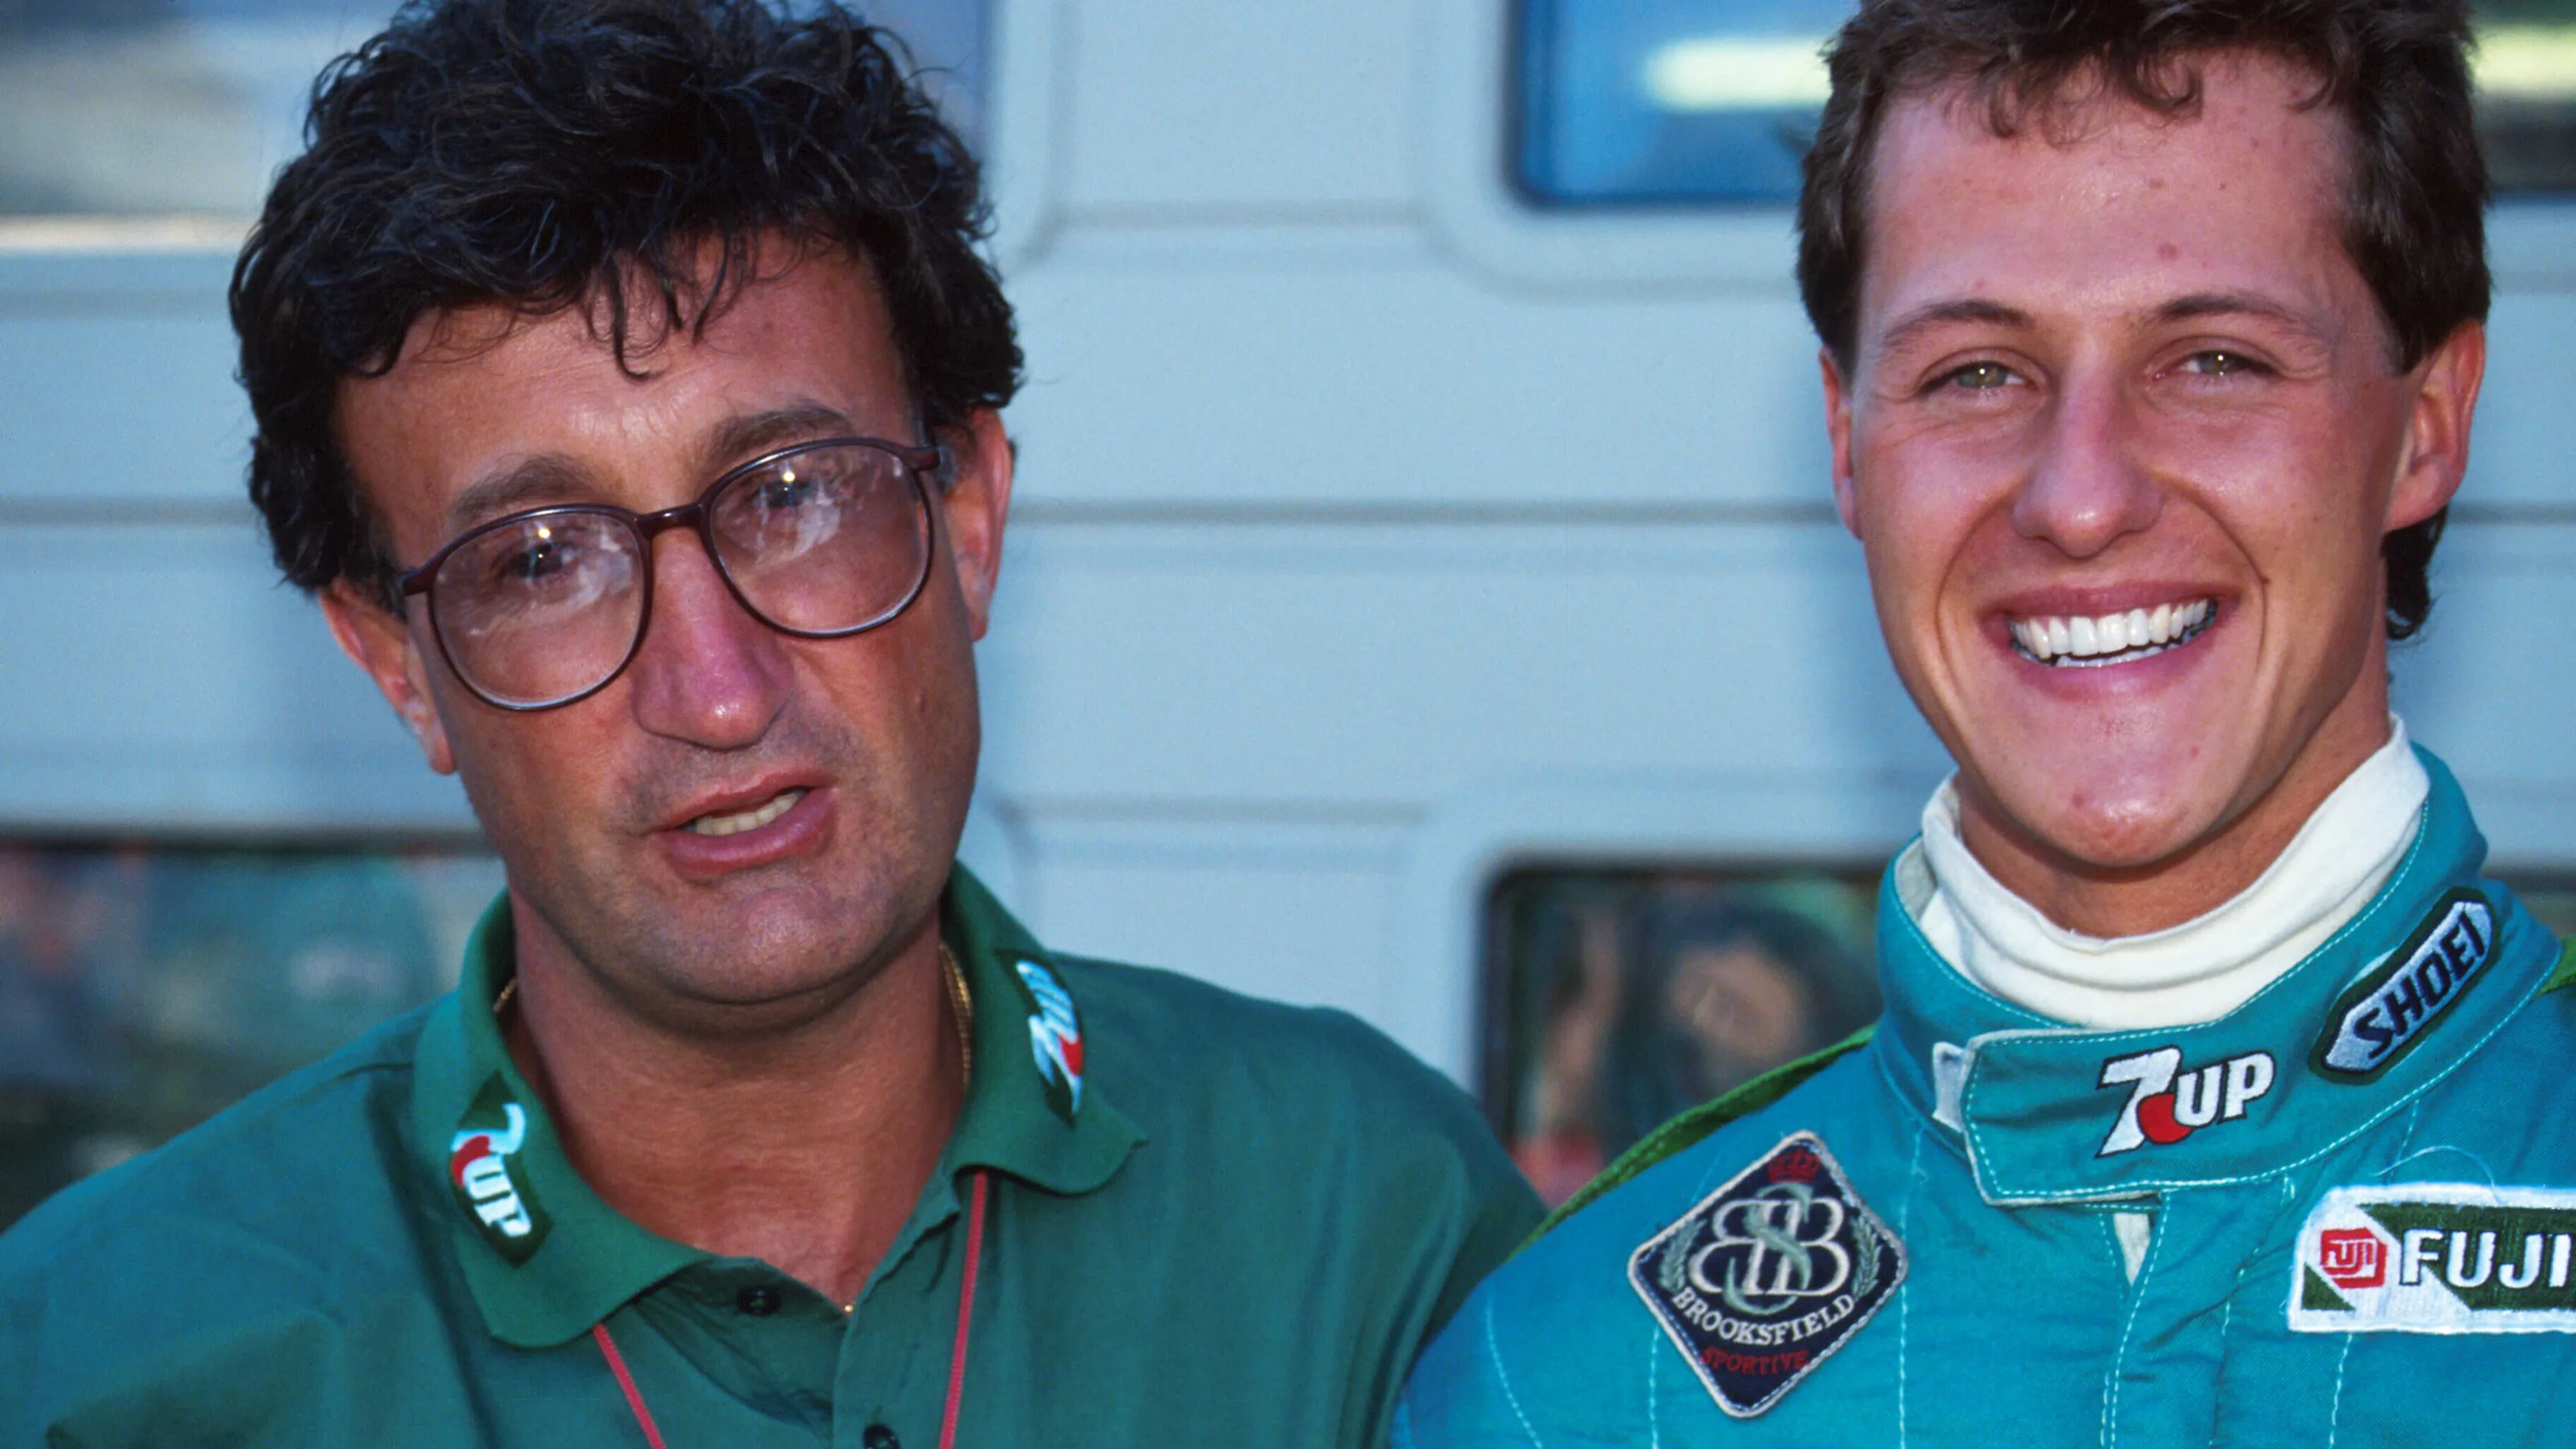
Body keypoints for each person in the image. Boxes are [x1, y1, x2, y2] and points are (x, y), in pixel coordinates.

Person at [0, 2, 1541, 1444]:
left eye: (794, 498)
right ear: (398, 665)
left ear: (974, 515)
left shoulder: (1358, 1213)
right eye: (539, 562)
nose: (717, 690)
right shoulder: (115, 1360)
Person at [1399, 0, 2576, 1441]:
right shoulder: (1571, 1376)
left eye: (2215, 360)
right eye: (1975, 373)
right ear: (1846, 446)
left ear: (2427, 424)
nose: (2080, 496)